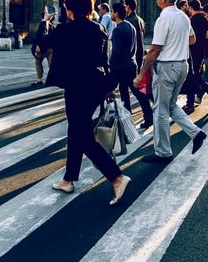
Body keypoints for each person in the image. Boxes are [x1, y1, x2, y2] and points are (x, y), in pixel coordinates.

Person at [44, 0, 130, 205]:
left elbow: (41, 44)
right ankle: (68, 179)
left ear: (69, 9)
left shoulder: (66, 29)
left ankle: (116, 177)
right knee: (76, 130)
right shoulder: (99, 28)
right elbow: (103, 60)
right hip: (96, 85)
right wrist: (108, 87)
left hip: (76, 87)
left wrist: (45, 22)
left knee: (81, 135)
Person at [133, 0, 207, 163]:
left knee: (160, 110)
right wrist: (176, 43)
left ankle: (163, 152)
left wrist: (141, 74)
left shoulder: (164, 18)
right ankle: (196, 133)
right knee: (171, 105)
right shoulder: (183, 16)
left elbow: (154, 50)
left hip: (167, 67)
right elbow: (192, 39)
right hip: (182, 65)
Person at [109, 3, 153, 127]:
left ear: (117, 13)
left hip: (119, 66)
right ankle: (146, 115)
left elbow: (116, 51)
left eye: (112, 11)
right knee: (132, 91)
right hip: (131, 64)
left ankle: (126, 118)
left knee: (108, 90)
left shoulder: (118, 30)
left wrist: (110, 63)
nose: (111, 14)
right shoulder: (130, 26)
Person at [182, 0, 208, 114]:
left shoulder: (193, 20)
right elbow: (206, 37)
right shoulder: (204, 19)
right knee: (194, 76)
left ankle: (191, 104)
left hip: (193, 53)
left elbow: (191, 38)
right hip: (200, 52)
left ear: (191, 8)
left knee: (192, 77)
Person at [31, 8, 55, 87]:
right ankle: (42, 79)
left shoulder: (43, 24)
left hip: (44, 48)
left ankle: (40, 79)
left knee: (39, 63)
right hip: (47, 48)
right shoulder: (49, 25)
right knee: (46, 64)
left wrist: (37, 45)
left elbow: (38, 35)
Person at [123, 0, 145, 72]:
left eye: (124, 5)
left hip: (132, 56)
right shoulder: (140, 20)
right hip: (139, 53)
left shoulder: (129, 21)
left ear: (128, 6)